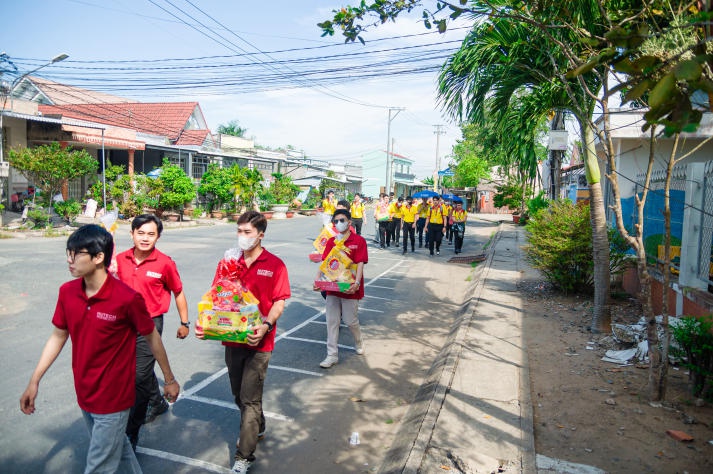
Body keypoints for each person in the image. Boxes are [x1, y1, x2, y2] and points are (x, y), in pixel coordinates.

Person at [20, 224, 180, 474]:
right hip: (85, 391)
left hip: (114, 399)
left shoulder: (126, 299)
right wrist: (34, 381)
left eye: (76, 254)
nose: (69, 260)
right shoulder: (67, 292)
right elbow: (58, 336)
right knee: (122, 453)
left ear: (98, 258)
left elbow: (152, 338)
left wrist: (169, 379)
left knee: (98, 467)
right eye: (68, 253)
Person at [198, 211, 291, 474]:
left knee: (250, 399)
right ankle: (258, 425)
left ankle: (244, 456)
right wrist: (205, 324)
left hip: (260, 342)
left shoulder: (275, 264)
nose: (242, 237)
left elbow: (279, 302)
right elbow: (216, 298)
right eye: (239, 231)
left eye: (247, 232)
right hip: (232, 339)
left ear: (261, 234)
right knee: (239, 394)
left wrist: (266, 326)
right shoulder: (228, 262)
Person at [115, 214, 190, 449]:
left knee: (137, 376)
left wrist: (184, 323)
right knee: (138, 371)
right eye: (140, 233)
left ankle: (131, 433)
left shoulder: (165, 263)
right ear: (132, 234)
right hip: (122, 324)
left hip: (150, 324)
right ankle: (156, 402)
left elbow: (178, 291)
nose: (145, 238)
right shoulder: (119, 259)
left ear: (158, 236)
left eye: (151, 234)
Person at [313, 209, 368, 368]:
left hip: (350, 286)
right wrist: (318, 280)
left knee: (350, 321)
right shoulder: (331, 242)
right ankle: (332, 355)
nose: (339, 224)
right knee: (332, 321)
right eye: (335, 221)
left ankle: (359, 341)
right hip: (332, 286)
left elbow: (360, 264)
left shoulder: (359, 241)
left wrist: (356, 283)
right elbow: (325, 263)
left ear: (349, 222)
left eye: (342, 220)